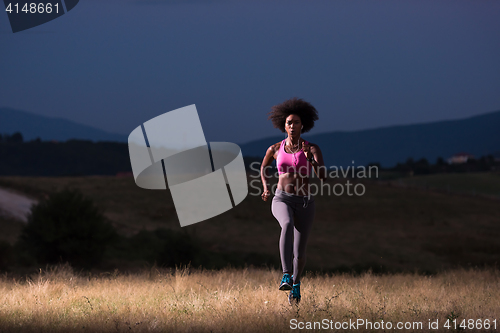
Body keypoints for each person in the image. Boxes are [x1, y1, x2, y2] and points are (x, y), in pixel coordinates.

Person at [260, 97, 326, 305]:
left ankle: (296, 285)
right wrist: (265, 186)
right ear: (284, 125)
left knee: (300, 251)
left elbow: (323, 176)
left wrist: (311, 159)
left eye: (296, 122)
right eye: (289, 122)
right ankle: (286, 275)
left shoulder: (312, 148)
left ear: (303, 125)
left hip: (305, 202)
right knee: (286, 224)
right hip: (282, 198)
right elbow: (263, 168)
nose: (292, 126)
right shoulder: (275, 149)